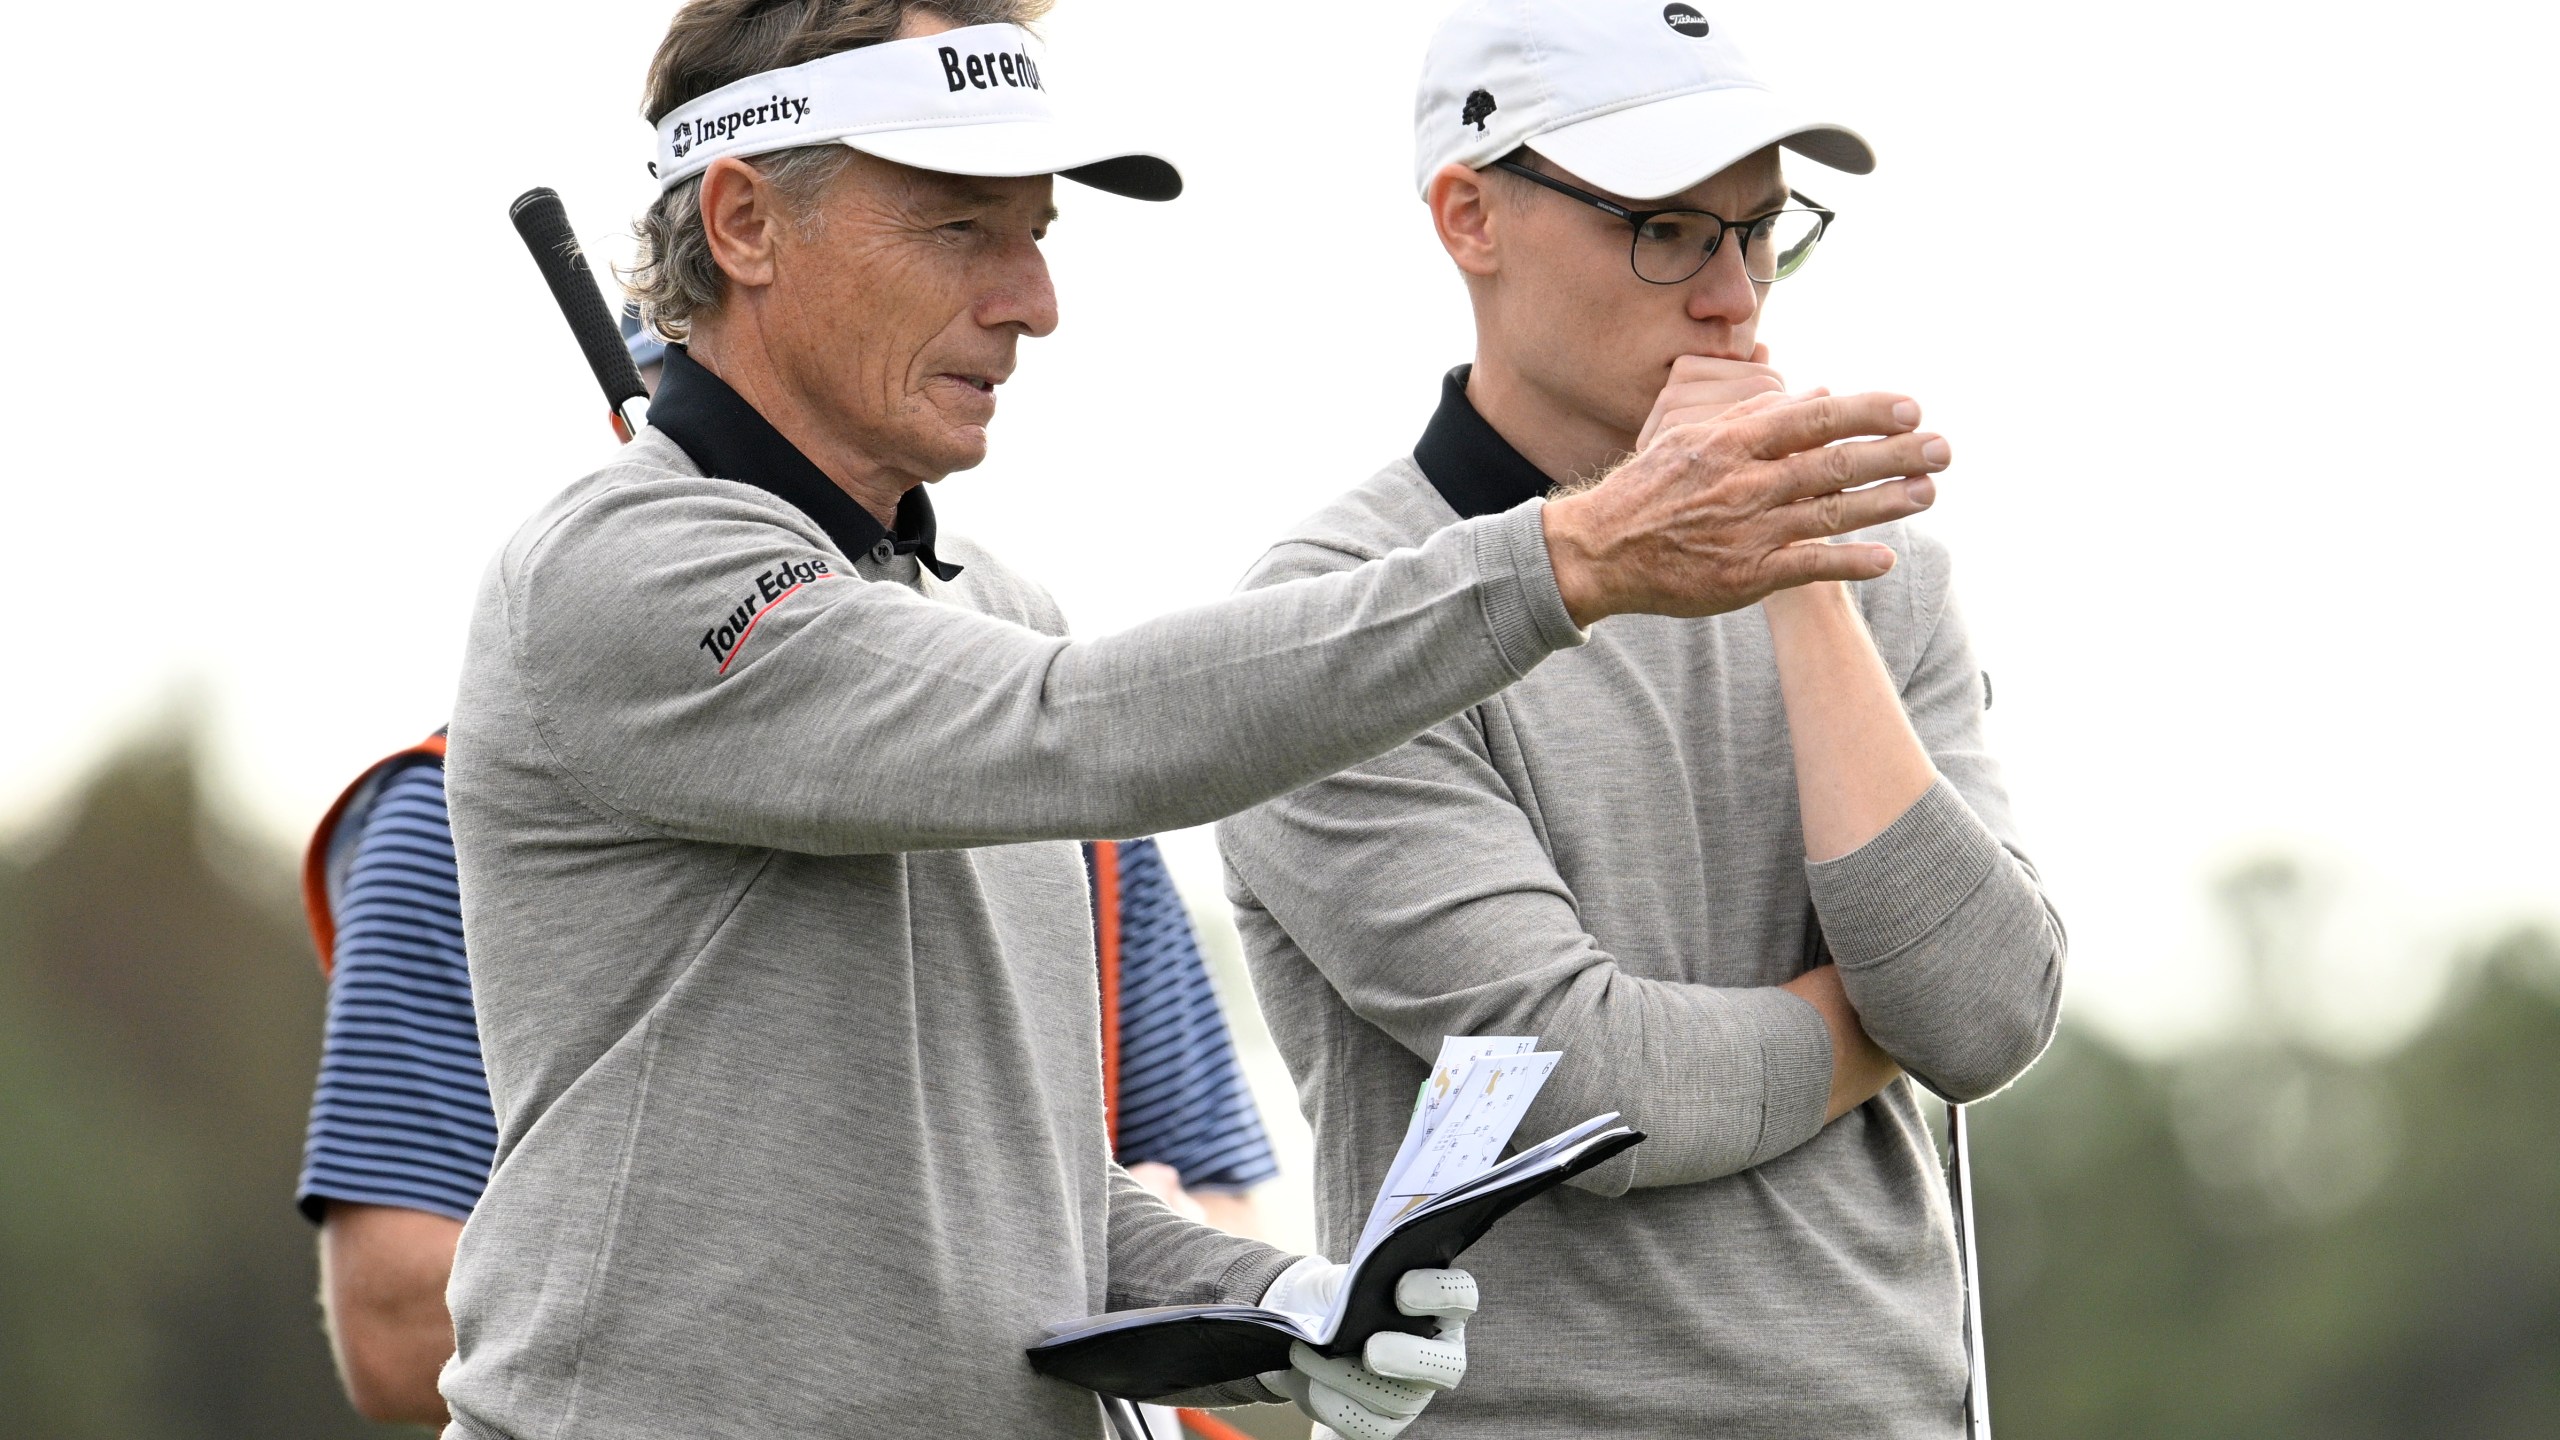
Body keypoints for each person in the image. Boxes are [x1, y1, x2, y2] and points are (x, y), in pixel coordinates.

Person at [440, 1, 1949, 1435]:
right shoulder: (624, 571)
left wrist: (1291, 1303)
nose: (1031, 302)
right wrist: (1576, 555)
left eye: (1034, 235)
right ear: (745, 223)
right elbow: (1074, 726)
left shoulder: (993, 611)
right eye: (961, 226)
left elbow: (1031, 1202)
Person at [1216, 3, 2068, 1437]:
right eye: (1667, 228)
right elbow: (1589, 1090)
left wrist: (1794, 571)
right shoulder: (1333, 622)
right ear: (1469, 216)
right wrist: (1867, 1026)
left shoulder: (1882, 578)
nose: (1735, 297)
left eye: (1762, 228)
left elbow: (1982, 1016)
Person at [293, 343, 1274, 1432]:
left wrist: (1155, 1268)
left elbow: (1205, 1190)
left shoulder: (1061, 768)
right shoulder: (451, 807)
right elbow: (389, 1321)